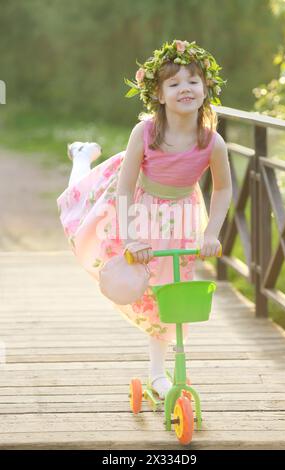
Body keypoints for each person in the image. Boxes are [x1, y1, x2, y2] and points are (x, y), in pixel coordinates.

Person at [57, 39, 232, 400]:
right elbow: (123, 189)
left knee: (169, 293)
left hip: (181, 217)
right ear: (159, 94)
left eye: (193, 81)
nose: (185, 88)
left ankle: (157, 372)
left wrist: (211, 231)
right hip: (136, 200)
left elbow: (223, 189)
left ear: (206, 88)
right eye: (174, 83)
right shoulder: (146, 132)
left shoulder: (212, 142)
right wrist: (132, 236)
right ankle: (81, 158)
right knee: (81, 206)